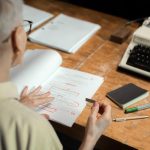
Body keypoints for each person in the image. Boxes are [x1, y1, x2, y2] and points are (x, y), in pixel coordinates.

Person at [0, 0, 112, 149]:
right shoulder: (31, 129)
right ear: (18, 39)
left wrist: (17, 109)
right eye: (24, 26)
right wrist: (91, 138)